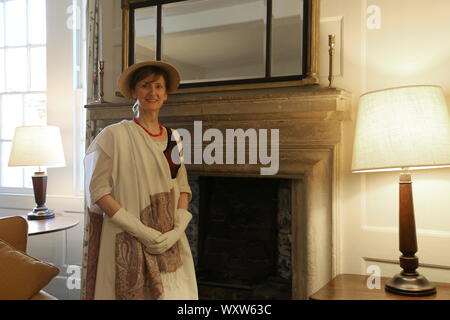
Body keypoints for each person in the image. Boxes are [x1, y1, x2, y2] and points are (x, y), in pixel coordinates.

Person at [81, 61, 198, 300]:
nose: (152, 92)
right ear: (134, 92)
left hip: (168, 241)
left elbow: (182, 187)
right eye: (145, 85)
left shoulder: (174, 138)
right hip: (127, 239)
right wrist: (142, 231)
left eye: (158, 86)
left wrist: (176, 231)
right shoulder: (114, 136)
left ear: (165, 95)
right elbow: (99, 192)